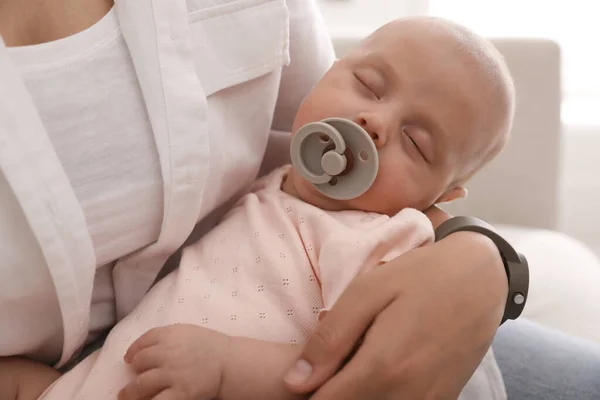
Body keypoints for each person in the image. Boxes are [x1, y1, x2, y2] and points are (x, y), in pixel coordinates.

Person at [0, 0, 599, 399]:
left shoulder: (379, 244)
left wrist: (479, 254)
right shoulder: (279, 187)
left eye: (416, 142)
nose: (373, 122)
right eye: (367, 84)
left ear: (442, 195)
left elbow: (351, 372)